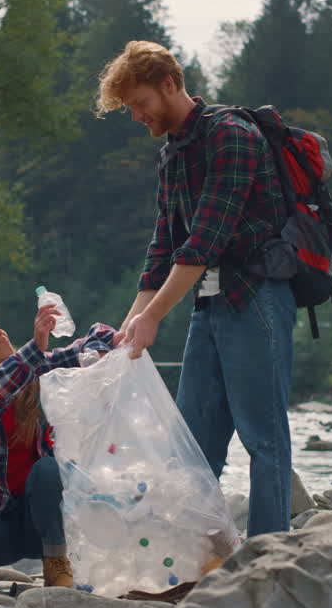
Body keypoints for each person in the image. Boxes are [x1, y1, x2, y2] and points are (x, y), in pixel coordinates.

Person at [100, 40, 297, 536]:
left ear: (170, 84)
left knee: (263, 438)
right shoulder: (172, 153)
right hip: (208, 304)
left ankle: (269, 553)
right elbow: (162, 247)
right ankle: (189, 557)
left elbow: (204, 241)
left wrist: (152, 319)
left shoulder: (232, 136)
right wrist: (127, 329)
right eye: (128, 108)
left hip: (257, 298)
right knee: (191, 443)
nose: (135, 116)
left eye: (139, 103)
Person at [0, 304, 114, 598]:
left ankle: (55, 561)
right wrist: (36, 348)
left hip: (42, 518)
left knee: (49, 469)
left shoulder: (35, 370)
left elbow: (92, 340)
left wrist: (101, 346)